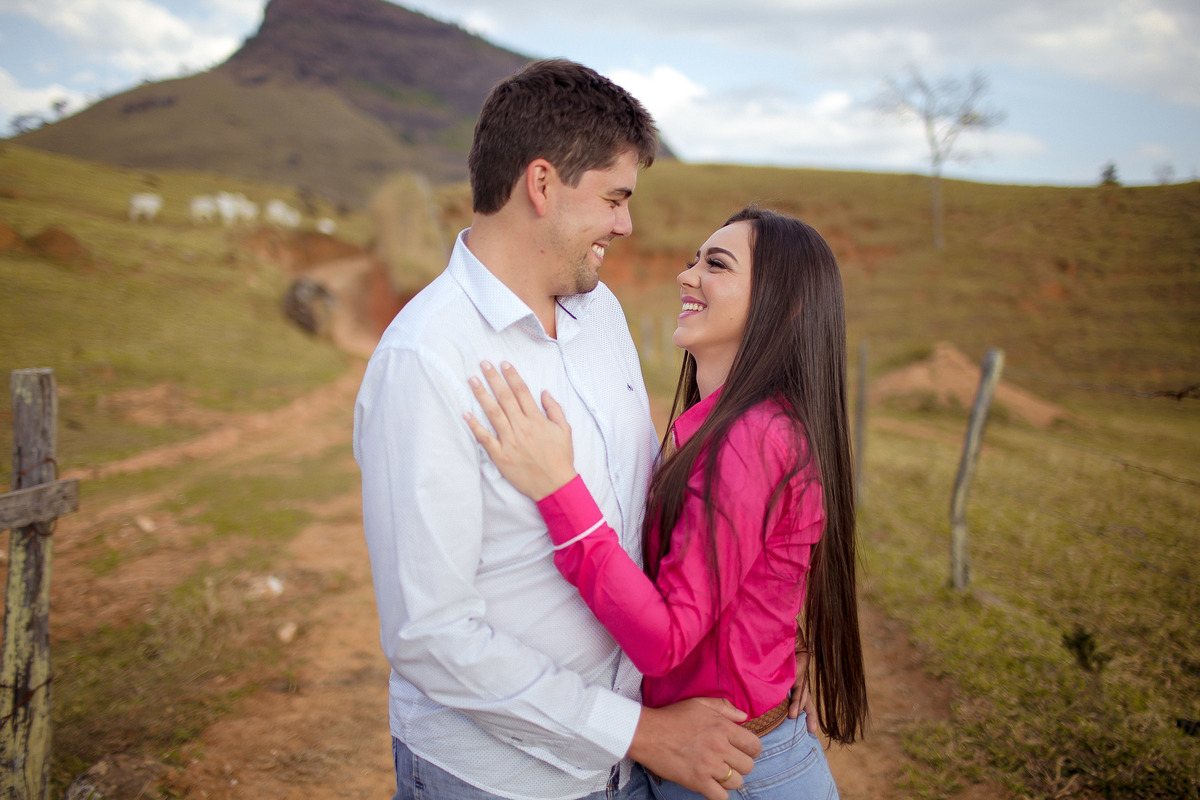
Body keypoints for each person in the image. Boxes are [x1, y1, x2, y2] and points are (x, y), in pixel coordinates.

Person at [354, 58, 763, 800]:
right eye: (614, 197)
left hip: (623, 761)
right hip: (495, 778)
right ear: (542, 185)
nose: (627, 224)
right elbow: (430, 635)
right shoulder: (427, 358)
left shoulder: (599, 315)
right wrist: (639, 732)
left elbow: (640, 521)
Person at [465, 206, 870, 799]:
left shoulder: (752, 437)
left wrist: (558, 489)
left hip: (737, 774)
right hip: (712, 762)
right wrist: (786, 646)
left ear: (784, 307)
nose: (687, 275)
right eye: (693, 260)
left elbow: (665, 640)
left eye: (717, 264)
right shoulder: (729, 426)